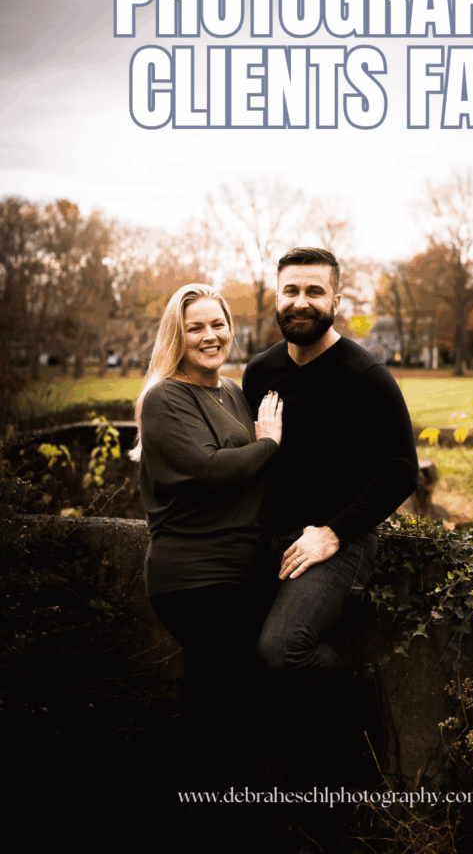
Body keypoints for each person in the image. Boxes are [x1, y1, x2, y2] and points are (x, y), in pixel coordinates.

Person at [242, 248, 419, 787]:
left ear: (337, 300)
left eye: (314, 291)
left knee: (281, 650)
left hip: (340, 540)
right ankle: (289, 772)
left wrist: (335, 531)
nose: (301, 302)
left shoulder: (366, 375)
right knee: (231, 647)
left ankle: (359, 705)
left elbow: (400, 470)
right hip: (270, 537)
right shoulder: (260, 371)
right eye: (291, 290)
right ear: (277, 296)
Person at [129, 282, 283, 773]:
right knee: (228, 701)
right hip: (195, 577)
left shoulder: (232, 392)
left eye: (218, 325)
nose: (210, 336)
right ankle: (211, 808)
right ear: (178, 334)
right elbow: (212, 469)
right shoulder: (164, 399)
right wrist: (269, 444)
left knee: (220, 697)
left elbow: (254, 477)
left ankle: (199, 809)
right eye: (195, 327)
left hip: (242, 570)